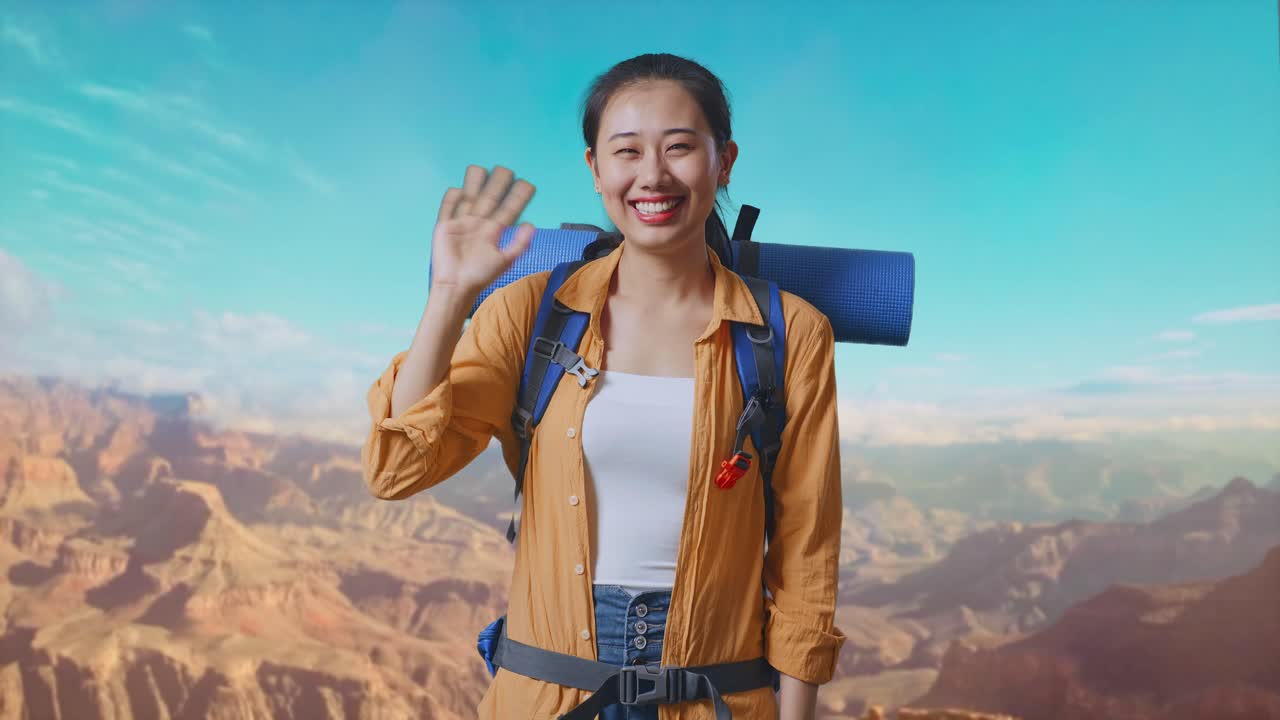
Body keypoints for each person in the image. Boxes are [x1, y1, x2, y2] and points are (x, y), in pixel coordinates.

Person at [362, 53, 845, 720]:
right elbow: (395, 469)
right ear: (595, 169)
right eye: (626, 152)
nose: (653, 175)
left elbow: (807, 551)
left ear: (724, 160)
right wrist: (449, 296)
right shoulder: (526, 313)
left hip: (717, 701)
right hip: (547, 699)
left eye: (680, 147)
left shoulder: (791, 333)